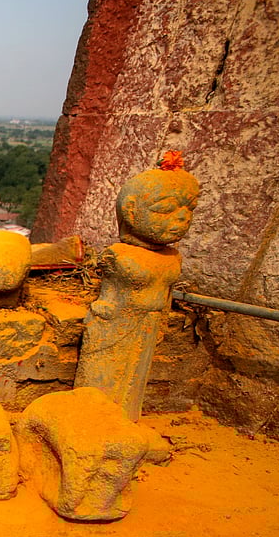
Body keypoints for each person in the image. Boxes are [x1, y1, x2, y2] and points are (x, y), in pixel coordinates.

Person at [74, 151, 200, 420]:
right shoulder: (119, 255)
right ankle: (92, 422)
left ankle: (125, 422)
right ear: (131, 211)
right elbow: (110, 298)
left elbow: (164, 296)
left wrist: (162, 319)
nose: (182, 218)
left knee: (133, 382)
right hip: (115, 325)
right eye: (166, 209)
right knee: (102, 381)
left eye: (189, 209)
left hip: (148, 326)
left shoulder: (172, 257)